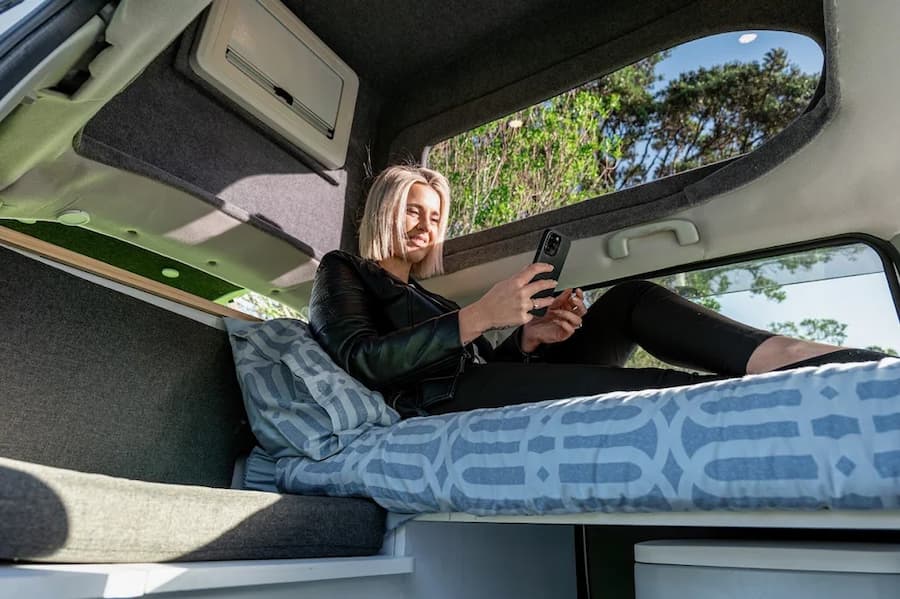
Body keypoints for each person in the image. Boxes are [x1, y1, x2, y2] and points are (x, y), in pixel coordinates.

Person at [308, 165, 885, 418]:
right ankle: (760, 398)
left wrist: (530, 338)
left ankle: (785, 358)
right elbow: (363, 361)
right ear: (385, 209)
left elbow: (488, 367)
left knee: (632, 298)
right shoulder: (343, 270)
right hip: (437, 403)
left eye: (435, 216)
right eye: (414, 210)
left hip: (477, 381)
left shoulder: (434, 300)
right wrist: (480, 315)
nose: (426, 225)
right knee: (648, 388)